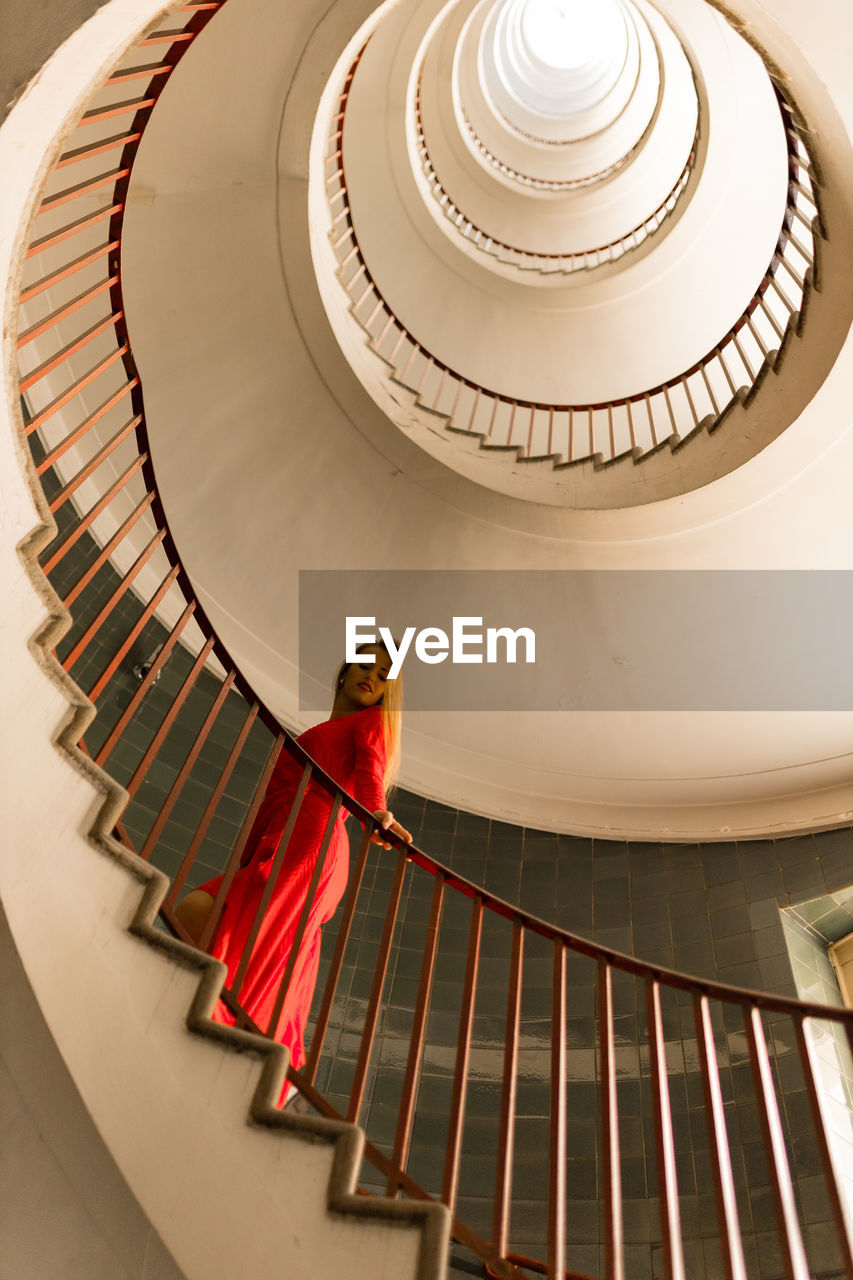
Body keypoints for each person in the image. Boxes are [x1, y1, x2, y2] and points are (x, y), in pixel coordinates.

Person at [174, 642, 412, 1104]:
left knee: (247, 925)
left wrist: (378, 814)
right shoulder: (329, 727)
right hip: (283, 840)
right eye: (366, 663)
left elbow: (371, 773)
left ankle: (240, 1037)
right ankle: (251, 1041)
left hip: (313, 842)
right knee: (212, 915)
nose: (373, 676)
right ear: (343, 672)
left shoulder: (369, 725)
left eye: (384, 674)